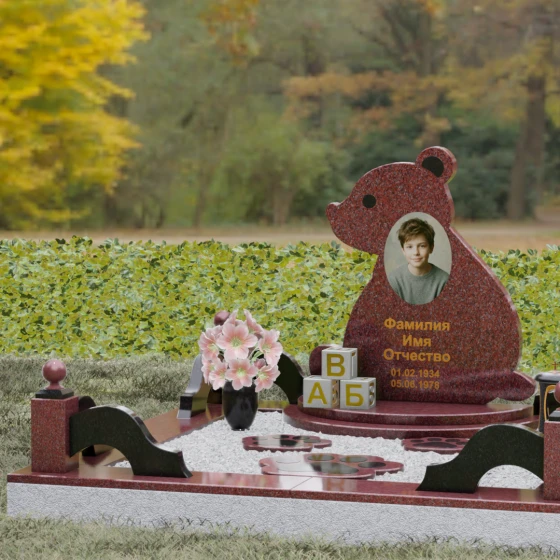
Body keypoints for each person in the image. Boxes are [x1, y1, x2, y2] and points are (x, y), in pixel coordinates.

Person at [387, 218, 449, 305]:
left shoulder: (444, 281)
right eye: (409, 247)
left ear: (431, 248)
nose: (416, 252)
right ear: (403, 250)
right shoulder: (394, 280)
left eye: (422, 246)